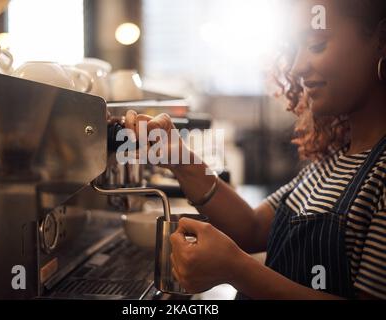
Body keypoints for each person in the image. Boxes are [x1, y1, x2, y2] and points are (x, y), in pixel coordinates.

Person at [124, 0, 386, 299]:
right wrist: (178, 158)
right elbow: (251, 228)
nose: (298, 67)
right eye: (296, 50)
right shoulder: (334, 162)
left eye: (316, 45)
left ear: (381, 42)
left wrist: (238, 270)